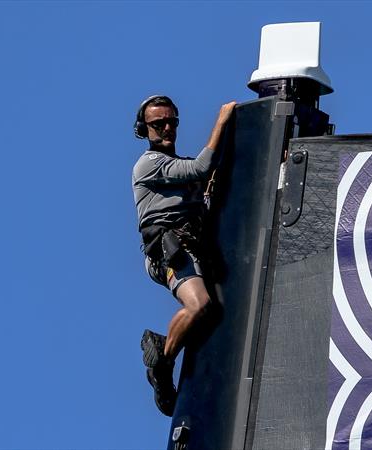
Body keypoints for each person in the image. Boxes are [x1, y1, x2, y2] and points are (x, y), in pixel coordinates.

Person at [131, 95, 236, 416]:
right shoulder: (150, 163)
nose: (166, 128)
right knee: (200, 303)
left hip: (186, 246)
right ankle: (162, 365)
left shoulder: (174, 167)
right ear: (143, 129)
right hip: (167, 248)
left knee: (208, 310)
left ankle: (165, 352)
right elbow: (202, 166)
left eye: (171, 122)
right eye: (158, 123)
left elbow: (204, 179)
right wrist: (222, 122)